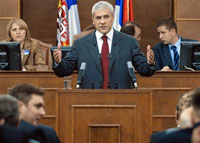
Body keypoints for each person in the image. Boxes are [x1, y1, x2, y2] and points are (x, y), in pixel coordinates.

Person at [53, 1, 155, 89]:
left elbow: (144, 70)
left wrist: (150, 63)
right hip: (89, 99)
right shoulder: (80, 44)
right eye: (98, 18)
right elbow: (64, 70)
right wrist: (59, 62)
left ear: (113, 18)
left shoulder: (129, 42)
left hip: (122, 99)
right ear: (93, 20)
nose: (102, 21)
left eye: (106, 17)